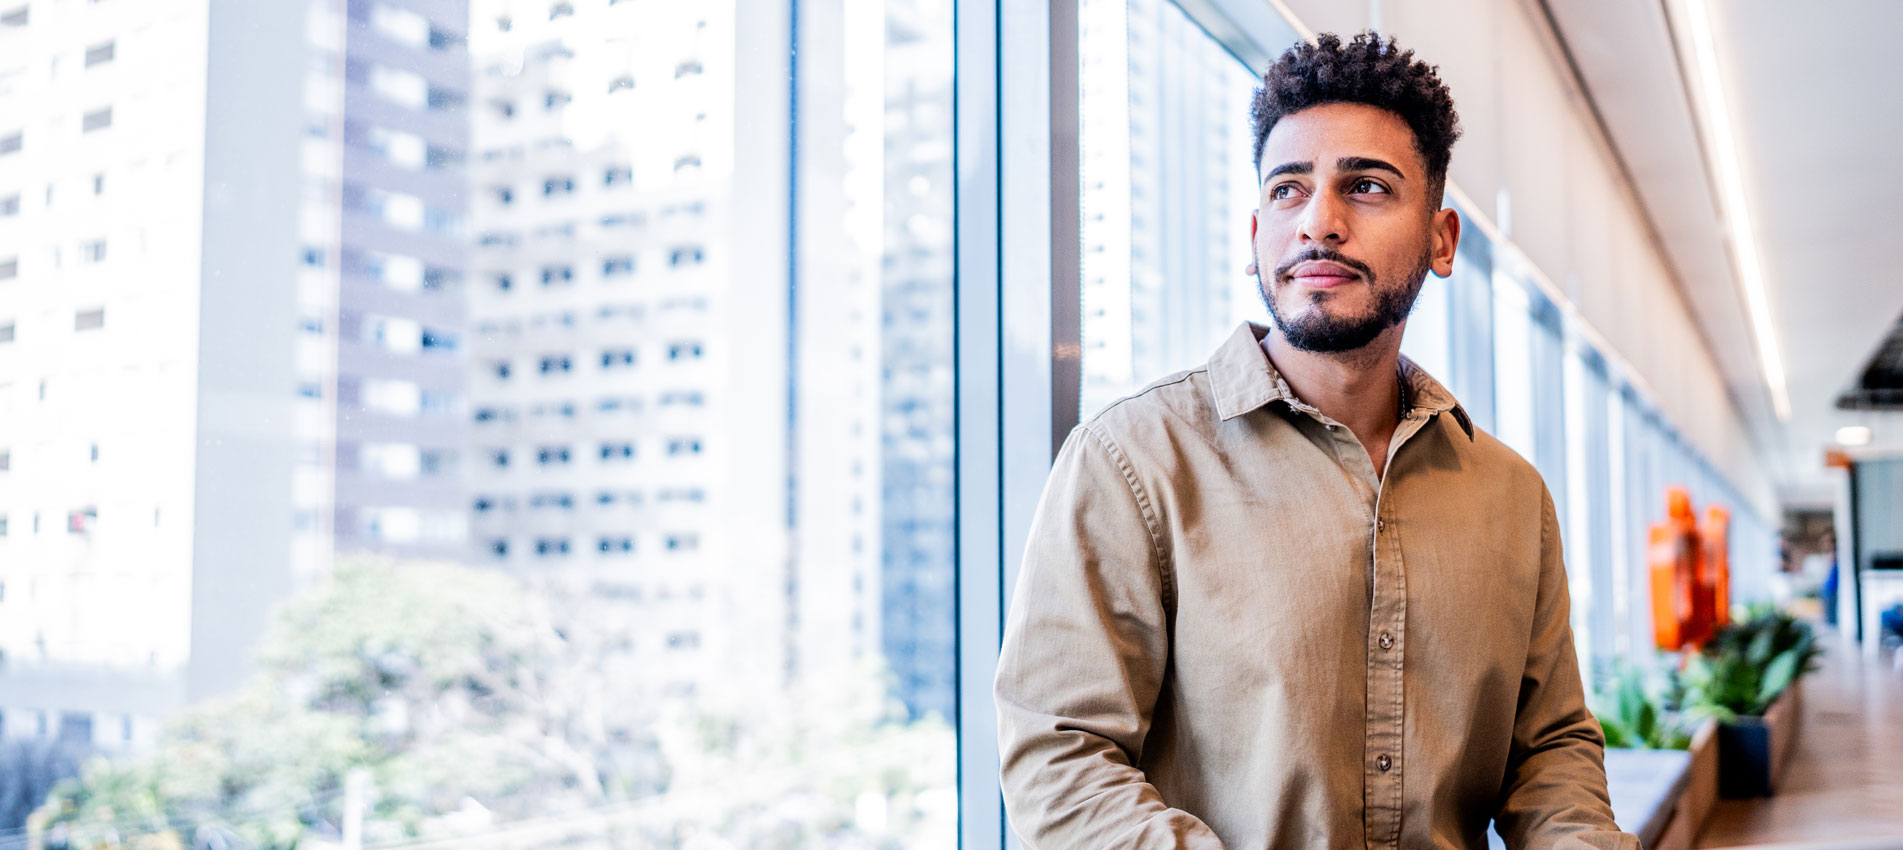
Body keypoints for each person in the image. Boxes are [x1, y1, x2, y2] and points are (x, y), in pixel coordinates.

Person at [994, 32, 1637, 850]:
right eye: (1289, 191)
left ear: (1440, 240)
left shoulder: (1509, 494)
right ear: (1256, 232)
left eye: (1365, 187)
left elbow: (1547, 752)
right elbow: (1061, 758)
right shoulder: (1132, 463)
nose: (1319, 224)